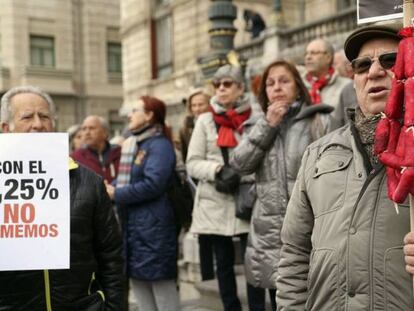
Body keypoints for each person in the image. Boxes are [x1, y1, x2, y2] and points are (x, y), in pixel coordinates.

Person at [276, 25, 414, 310]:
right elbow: (294, 253)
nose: (373, 72)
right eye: (362, 65)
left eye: (390, 61)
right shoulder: (317, 153)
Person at [0, 85, 124, 310]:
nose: (38, 124)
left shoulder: (89, 183)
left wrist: (113, 307)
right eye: (27, 117)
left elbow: (111, 256)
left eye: (44, 116)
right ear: (5, 128)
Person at [230, 60, 332, 311]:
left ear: (298, 87)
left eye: (284, 81)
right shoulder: (256, 125)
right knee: (278, 299)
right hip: (269, 232)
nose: (277, 88)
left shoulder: (318, 120)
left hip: (311, 229)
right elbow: (240, 164)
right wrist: (268, 125)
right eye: (270, 83)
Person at [186, 64, 255, 311]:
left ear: (240, 87)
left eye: (227, 84)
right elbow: (192, 163)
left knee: (253, 263)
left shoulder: (255, 116)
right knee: (223, 265)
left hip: (248, 198)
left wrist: (243, 175)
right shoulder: (205, 120)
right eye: (217, 85)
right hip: (214, 201)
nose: (221, 89)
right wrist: (217, 171)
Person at [105, 96, 180, 311]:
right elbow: (130, 179)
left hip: (155, 229)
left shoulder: (159, 145)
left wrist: (116, 193)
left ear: (149, 115)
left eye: (134, 110)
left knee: (163, 296)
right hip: (134, 229)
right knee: (142, 295)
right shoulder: (135, 144)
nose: (129, 114)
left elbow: (153, 184)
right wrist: (109, 187)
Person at [303, 38, 351, 127]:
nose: (308, 57)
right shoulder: (300, 88)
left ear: (328, 57)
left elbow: (350, 124)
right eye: (306, 53)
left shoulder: (346, 86)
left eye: (314, 53)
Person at [71, 115, 121, 184]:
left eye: (92, 128)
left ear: (105, 133)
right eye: (84, 129)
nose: (87, 132)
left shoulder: (119, 153)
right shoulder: (76, 157)